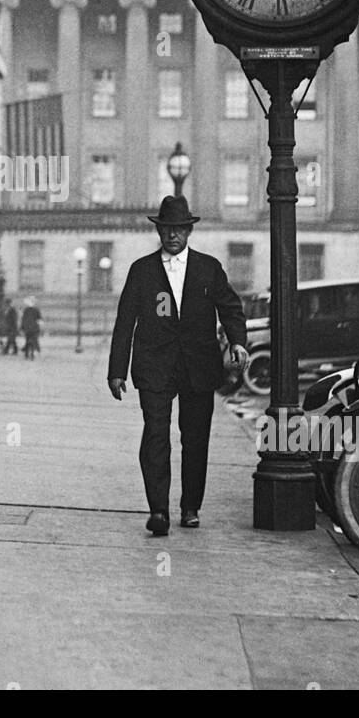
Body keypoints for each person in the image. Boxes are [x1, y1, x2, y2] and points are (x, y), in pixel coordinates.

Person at [107, 195, 248, 536]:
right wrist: (116, 371)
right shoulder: (141, 271)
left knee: (195, 437)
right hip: (154, 366)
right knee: (156, 435)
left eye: (179, 230)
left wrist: (238, 341)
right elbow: (126, 320)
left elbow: (230, 306)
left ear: (189, 231)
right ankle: (159, 510)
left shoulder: (208, 268)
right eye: (167, 229)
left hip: (199, 367)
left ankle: (190, 506)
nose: (172, 236)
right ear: (160, 231)